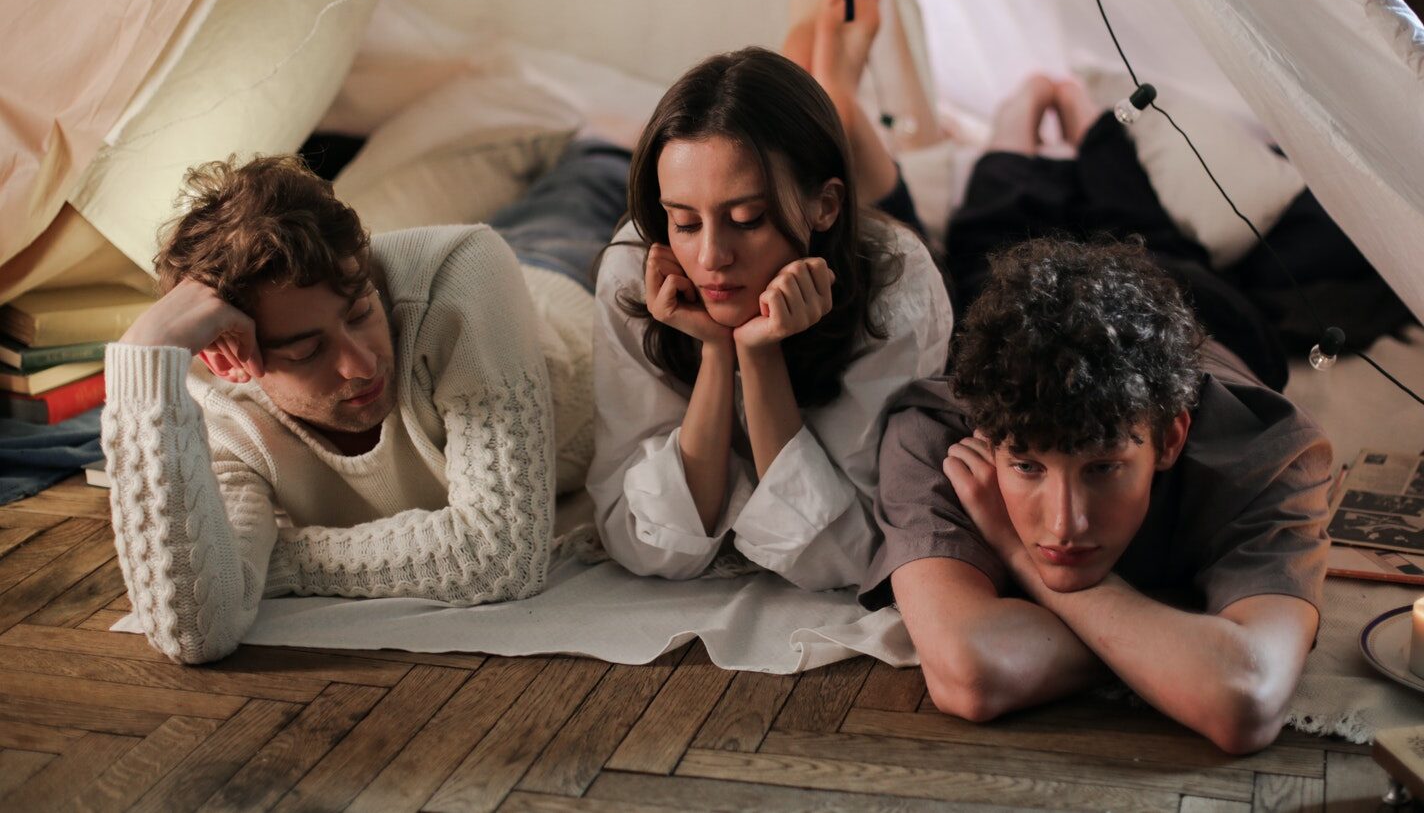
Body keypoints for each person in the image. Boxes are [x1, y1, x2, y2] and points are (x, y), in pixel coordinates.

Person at [862, 85, 1333, 755]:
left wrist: (1020, 556)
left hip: (1196, 308)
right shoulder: (940, 432)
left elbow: (1244, 700)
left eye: (1103, 467)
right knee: (992, 239)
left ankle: (1088, 114)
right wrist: (1178, 638)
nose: (1063, 524)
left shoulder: (1268, 451)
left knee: (1144, 230)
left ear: (1170, 437)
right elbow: (972, 675)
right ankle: (1021, 107)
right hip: (1027, 318)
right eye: (1026, 465)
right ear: (991, 438)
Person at [103, 153, 605, 664]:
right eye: (305, 351)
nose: (361, 364)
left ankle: (597, 145)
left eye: (363, 312)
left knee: (588, 183)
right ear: (230, 360)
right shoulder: (216, 403)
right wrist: (141, 360)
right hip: (526, 271)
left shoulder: (462, 267)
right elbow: (196, 630)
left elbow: (502, 554)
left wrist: (275, 564)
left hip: (563, 278)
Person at [585, 42, 952, 590]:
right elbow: (643, 541)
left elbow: (848, 554)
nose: (710, 258)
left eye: (747, 218)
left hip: (881, 263)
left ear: (824, 205)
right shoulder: (637, 268)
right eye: (684, 223)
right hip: (584, 194)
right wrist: (716, 350)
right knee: (572, 188)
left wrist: (759, 355)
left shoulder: (898, 288)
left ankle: (836, 72)